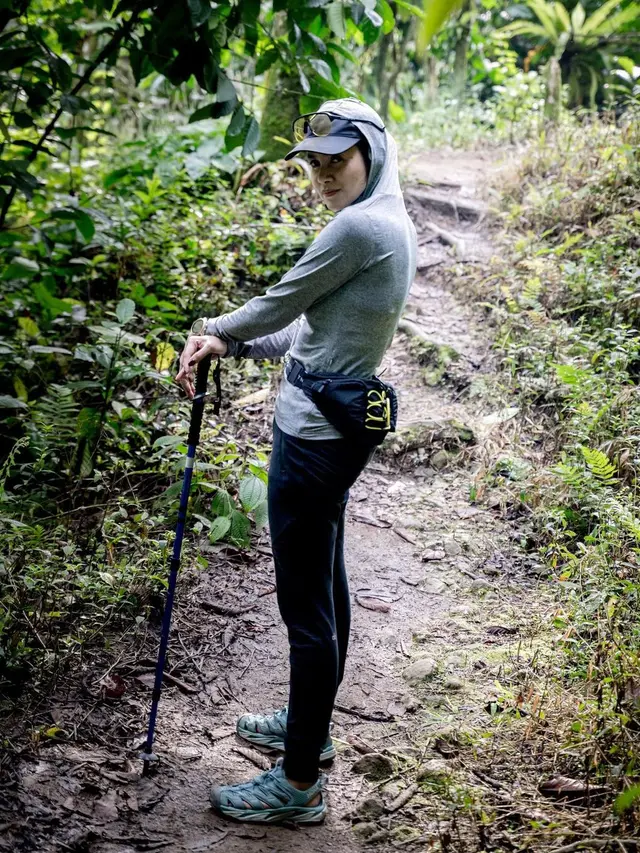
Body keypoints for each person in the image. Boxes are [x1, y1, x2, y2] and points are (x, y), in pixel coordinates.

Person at [176, 97, 417, 825]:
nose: (322, 177)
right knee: (327, 586)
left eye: (336, 160)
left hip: (312, 442)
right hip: (329, 434)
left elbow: (280, 303)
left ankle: (299, 782)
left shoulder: (361, 225)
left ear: (370, 152)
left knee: (305, 608)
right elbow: (308, 335)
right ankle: (310, 727)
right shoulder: (389, 222)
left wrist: (215, 328)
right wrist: (235, 346)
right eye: (313, 164)